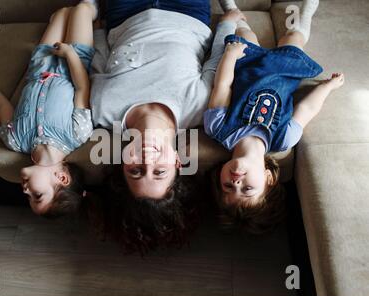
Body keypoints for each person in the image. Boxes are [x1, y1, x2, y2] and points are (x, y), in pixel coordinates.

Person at [90, 0, 246, 253]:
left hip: (125, 14)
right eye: (159, 172)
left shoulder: (102, 109)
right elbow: (216, 59)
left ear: (122, 163)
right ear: (176, 162)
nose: (148, 160)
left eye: (136, 171)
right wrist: (227, 23)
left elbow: (100, 60)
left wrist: (97, 32)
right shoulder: (198, 108)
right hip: (187, 12)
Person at [204, 0, 345, 233]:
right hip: (284, 71)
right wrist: (327, 87)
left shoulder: (218, 128)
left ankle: (230, 7)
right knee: (293, 39)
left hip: (246, 64)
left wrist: (230, 55)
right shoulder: (283, 139)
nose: (236, 183)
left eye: (227, 187)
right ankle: (307, 12)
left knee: (245, 32)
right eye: (247, 189)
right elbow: (307, 109)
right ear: (269, 179)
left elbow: (223, 85)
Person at [0, 1, 98, 216]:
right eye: (37, 195)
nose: (25, 190)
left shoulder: (15, 140)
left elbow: (3, 109)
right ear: (62, 178)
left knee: (61, 13)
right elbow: (81, 88)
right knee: (81, 10)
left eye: (28, 198)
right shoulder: (76, 134)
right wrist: (70, 54)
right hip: (75, 60)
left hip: (40, 64)